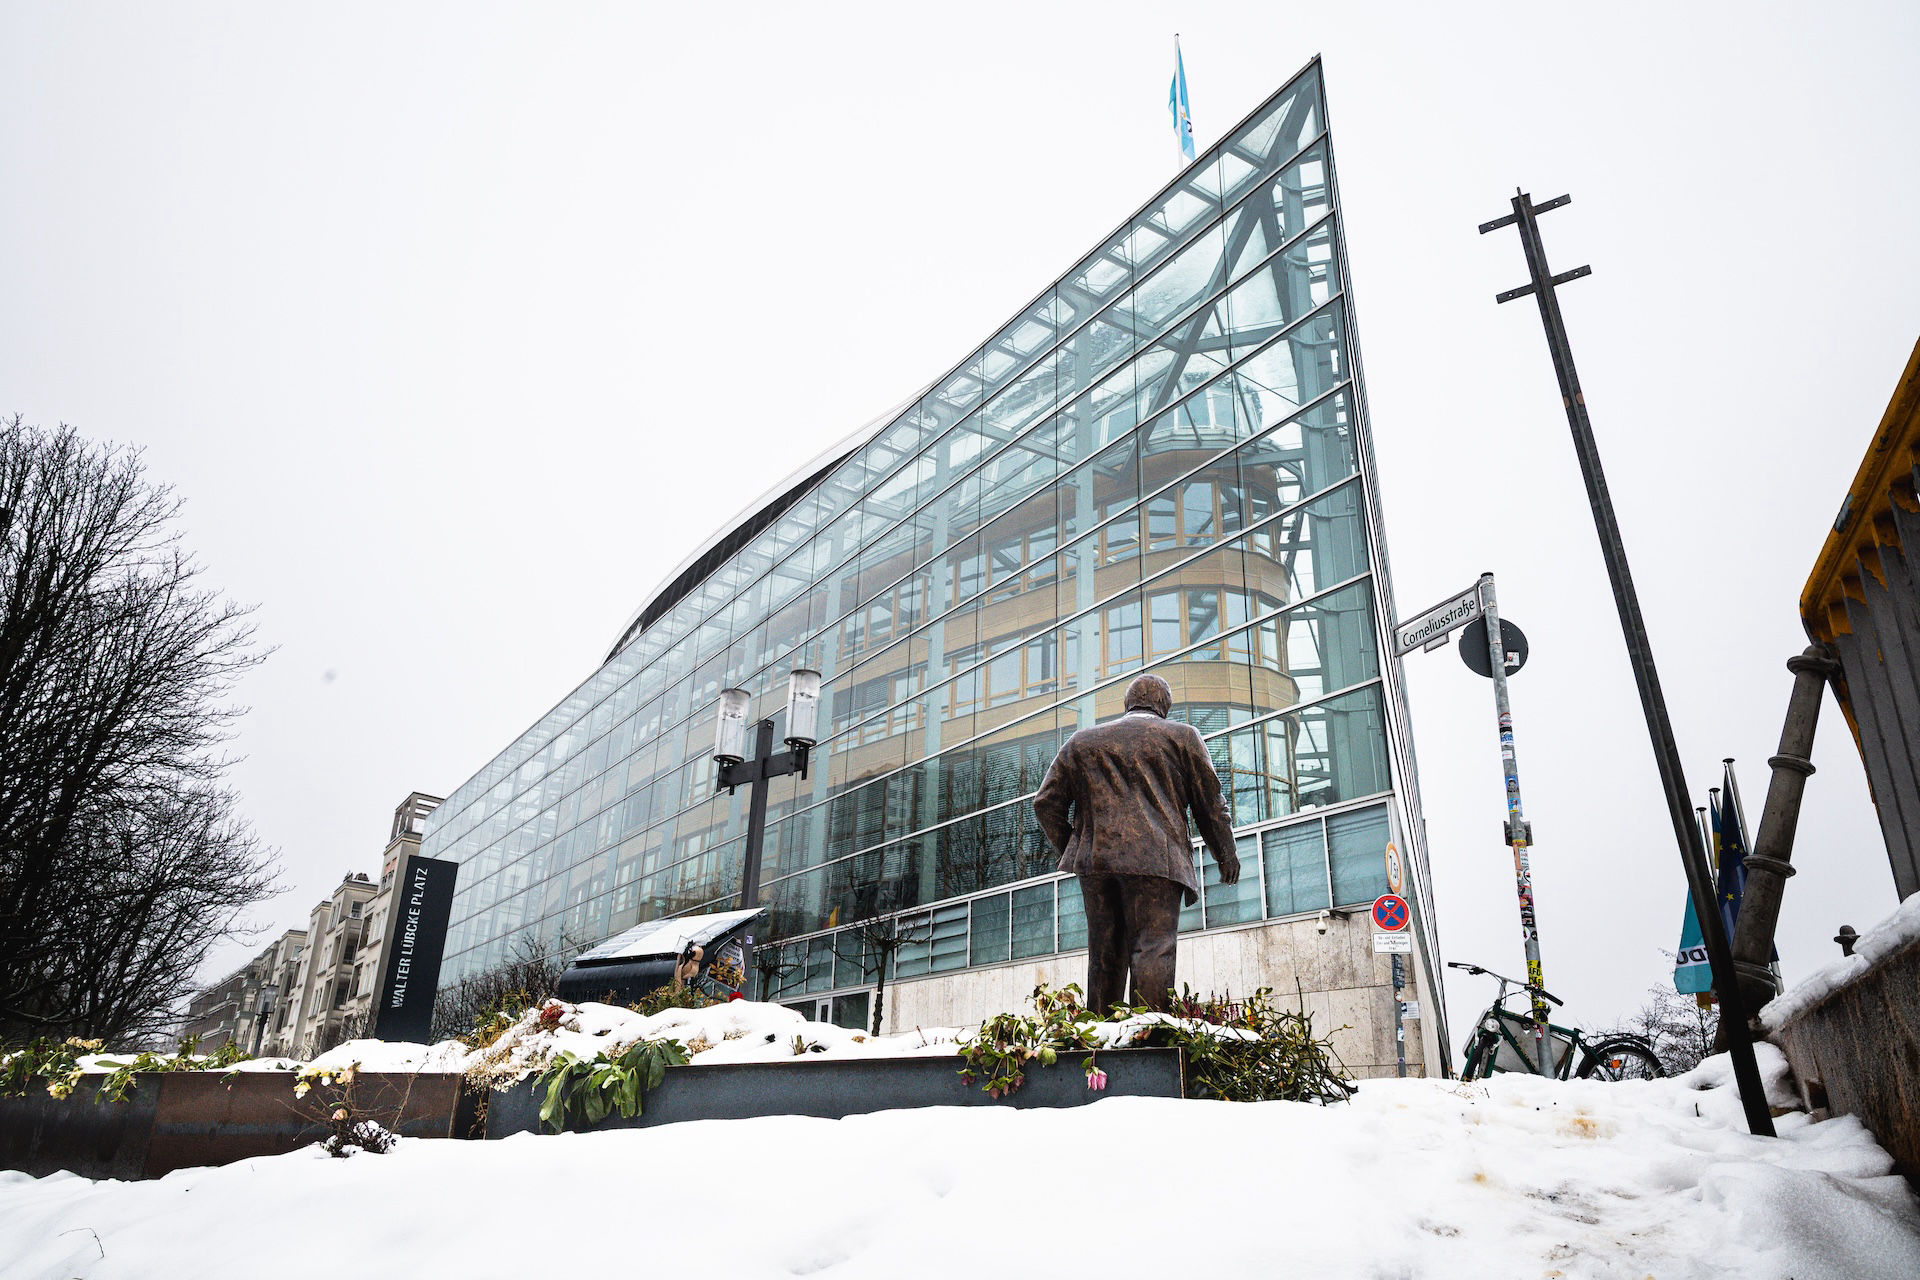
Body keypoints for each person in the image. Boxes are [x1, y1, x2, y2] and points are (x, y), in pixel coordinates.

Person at [1032, 673, 1239, 1014]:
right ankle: (1148, 1033)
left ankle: (1099, 1034)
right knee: (1152, 948)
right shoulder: (1183, 737)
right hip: (1157, 861)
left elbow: (1045, 803)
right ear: (1163, 706)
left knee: (1104, 954)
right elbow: (1211, 804)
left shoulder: (1081, 742)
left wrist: (1079, 847)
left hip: (1096, 863)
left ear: (1127, 704)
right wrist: (1226, 854)